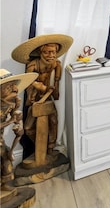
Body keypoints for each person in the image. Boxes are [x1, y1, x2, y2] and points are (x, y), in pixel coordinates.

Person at [11, 34, 73, 161]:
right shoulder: (33, 65)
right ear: (41, 52)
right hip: (35, 97)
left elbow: (56, 80)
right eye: (47, 52)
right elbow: (29, 80)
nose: (51, 56)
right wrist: (41, 87)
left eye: (54, 52)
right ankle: (40, 146)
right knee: (28, 128)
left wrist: (54, 91)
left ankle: (50, 147)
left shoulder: (56, 64)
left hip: (47, 97)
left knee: (53, 122)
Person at [0, 69, 37, 199]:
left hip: (0, 142)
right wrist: (10, 121)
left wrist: (18, 123)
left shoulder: (10, 103)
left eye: (14, 84)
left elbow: (16, 117)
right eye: (9, 87)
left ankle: (6, 184)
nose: (15, 89)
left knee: (6, 158)